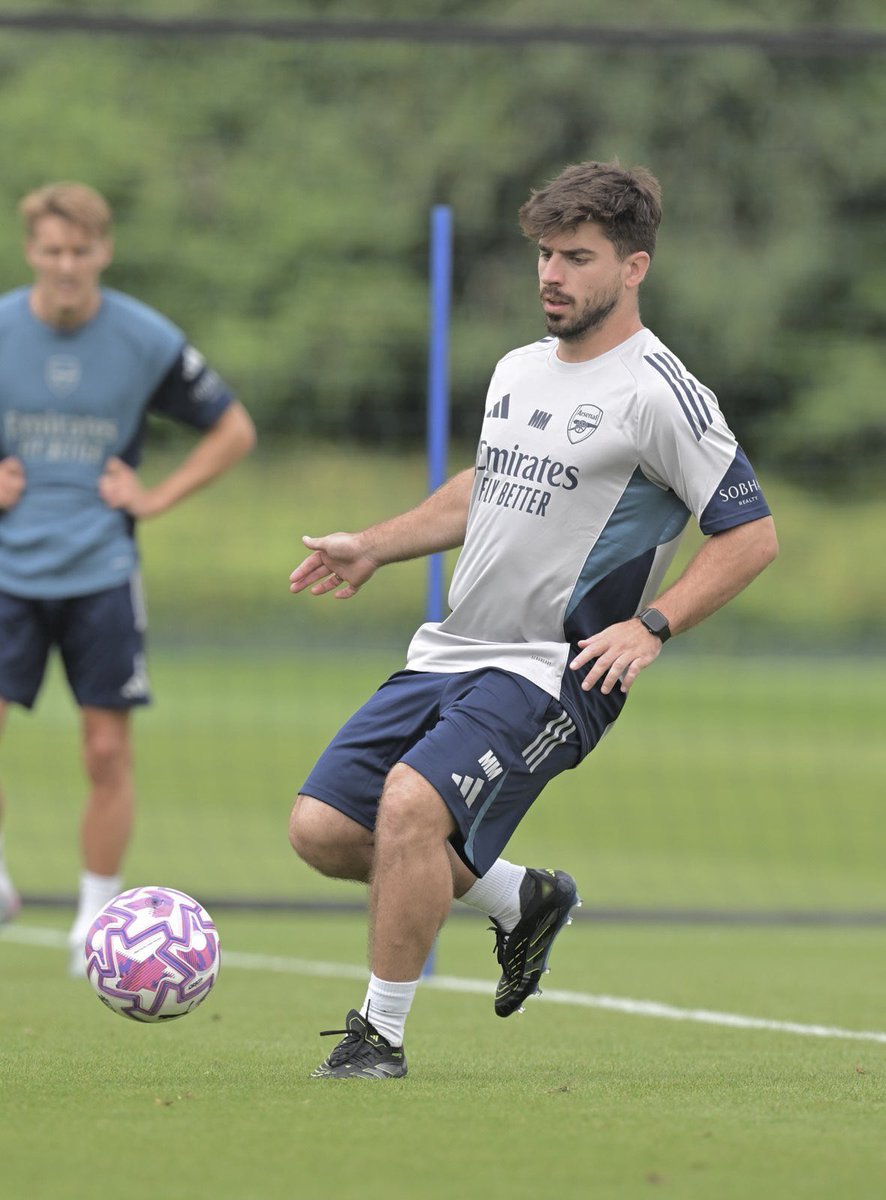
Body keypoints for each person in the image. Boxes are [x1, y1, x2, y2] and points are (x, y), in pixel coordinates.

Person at [287, 159, 778, 1080]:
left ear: (633, 267)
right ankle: (523, 898)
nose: (552, 274)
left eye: (577, 257)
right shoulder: (517, 369)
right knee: (322, 828)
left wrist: (652, 626)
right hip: (450, 652)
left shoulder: (660, 392)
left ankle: (376, 1038)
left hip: (555, 670)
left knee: (409, 806)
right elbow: (484, 489)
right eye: (545, 255)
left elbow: (750, 534)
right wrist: (375, 545)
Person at [0, 182, 256, 972]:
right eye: (52, 250)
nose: (66, 265)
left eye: (81, 250)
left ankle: (90, 920)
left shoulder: (145, 339)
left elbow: (233, 428)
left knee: (106, 752)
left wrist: (154, 496)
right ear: (31, 252)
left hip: (102, 570)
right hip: (7, 570)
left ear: (103, 251)